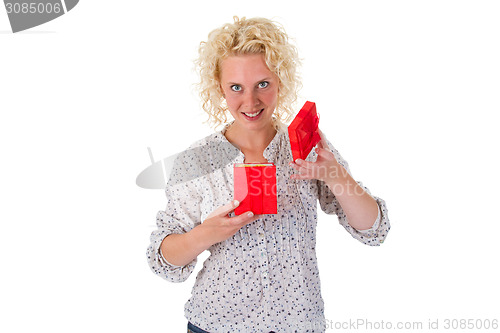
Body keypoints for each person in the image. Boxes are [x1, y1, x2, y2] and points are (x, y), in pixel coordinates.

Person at [146, 16, 390, 333]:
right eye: (236, 87)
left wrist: (337, 176)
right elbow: (163, 260)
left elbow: (374, 230)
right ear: (218, 87)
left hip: (297, 324)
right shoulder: (199, 160)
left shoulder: (308, 146)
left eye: (263, 84)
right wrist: (207, 233)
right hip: (216, 325)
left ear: (280, 80)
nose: (251, 102)